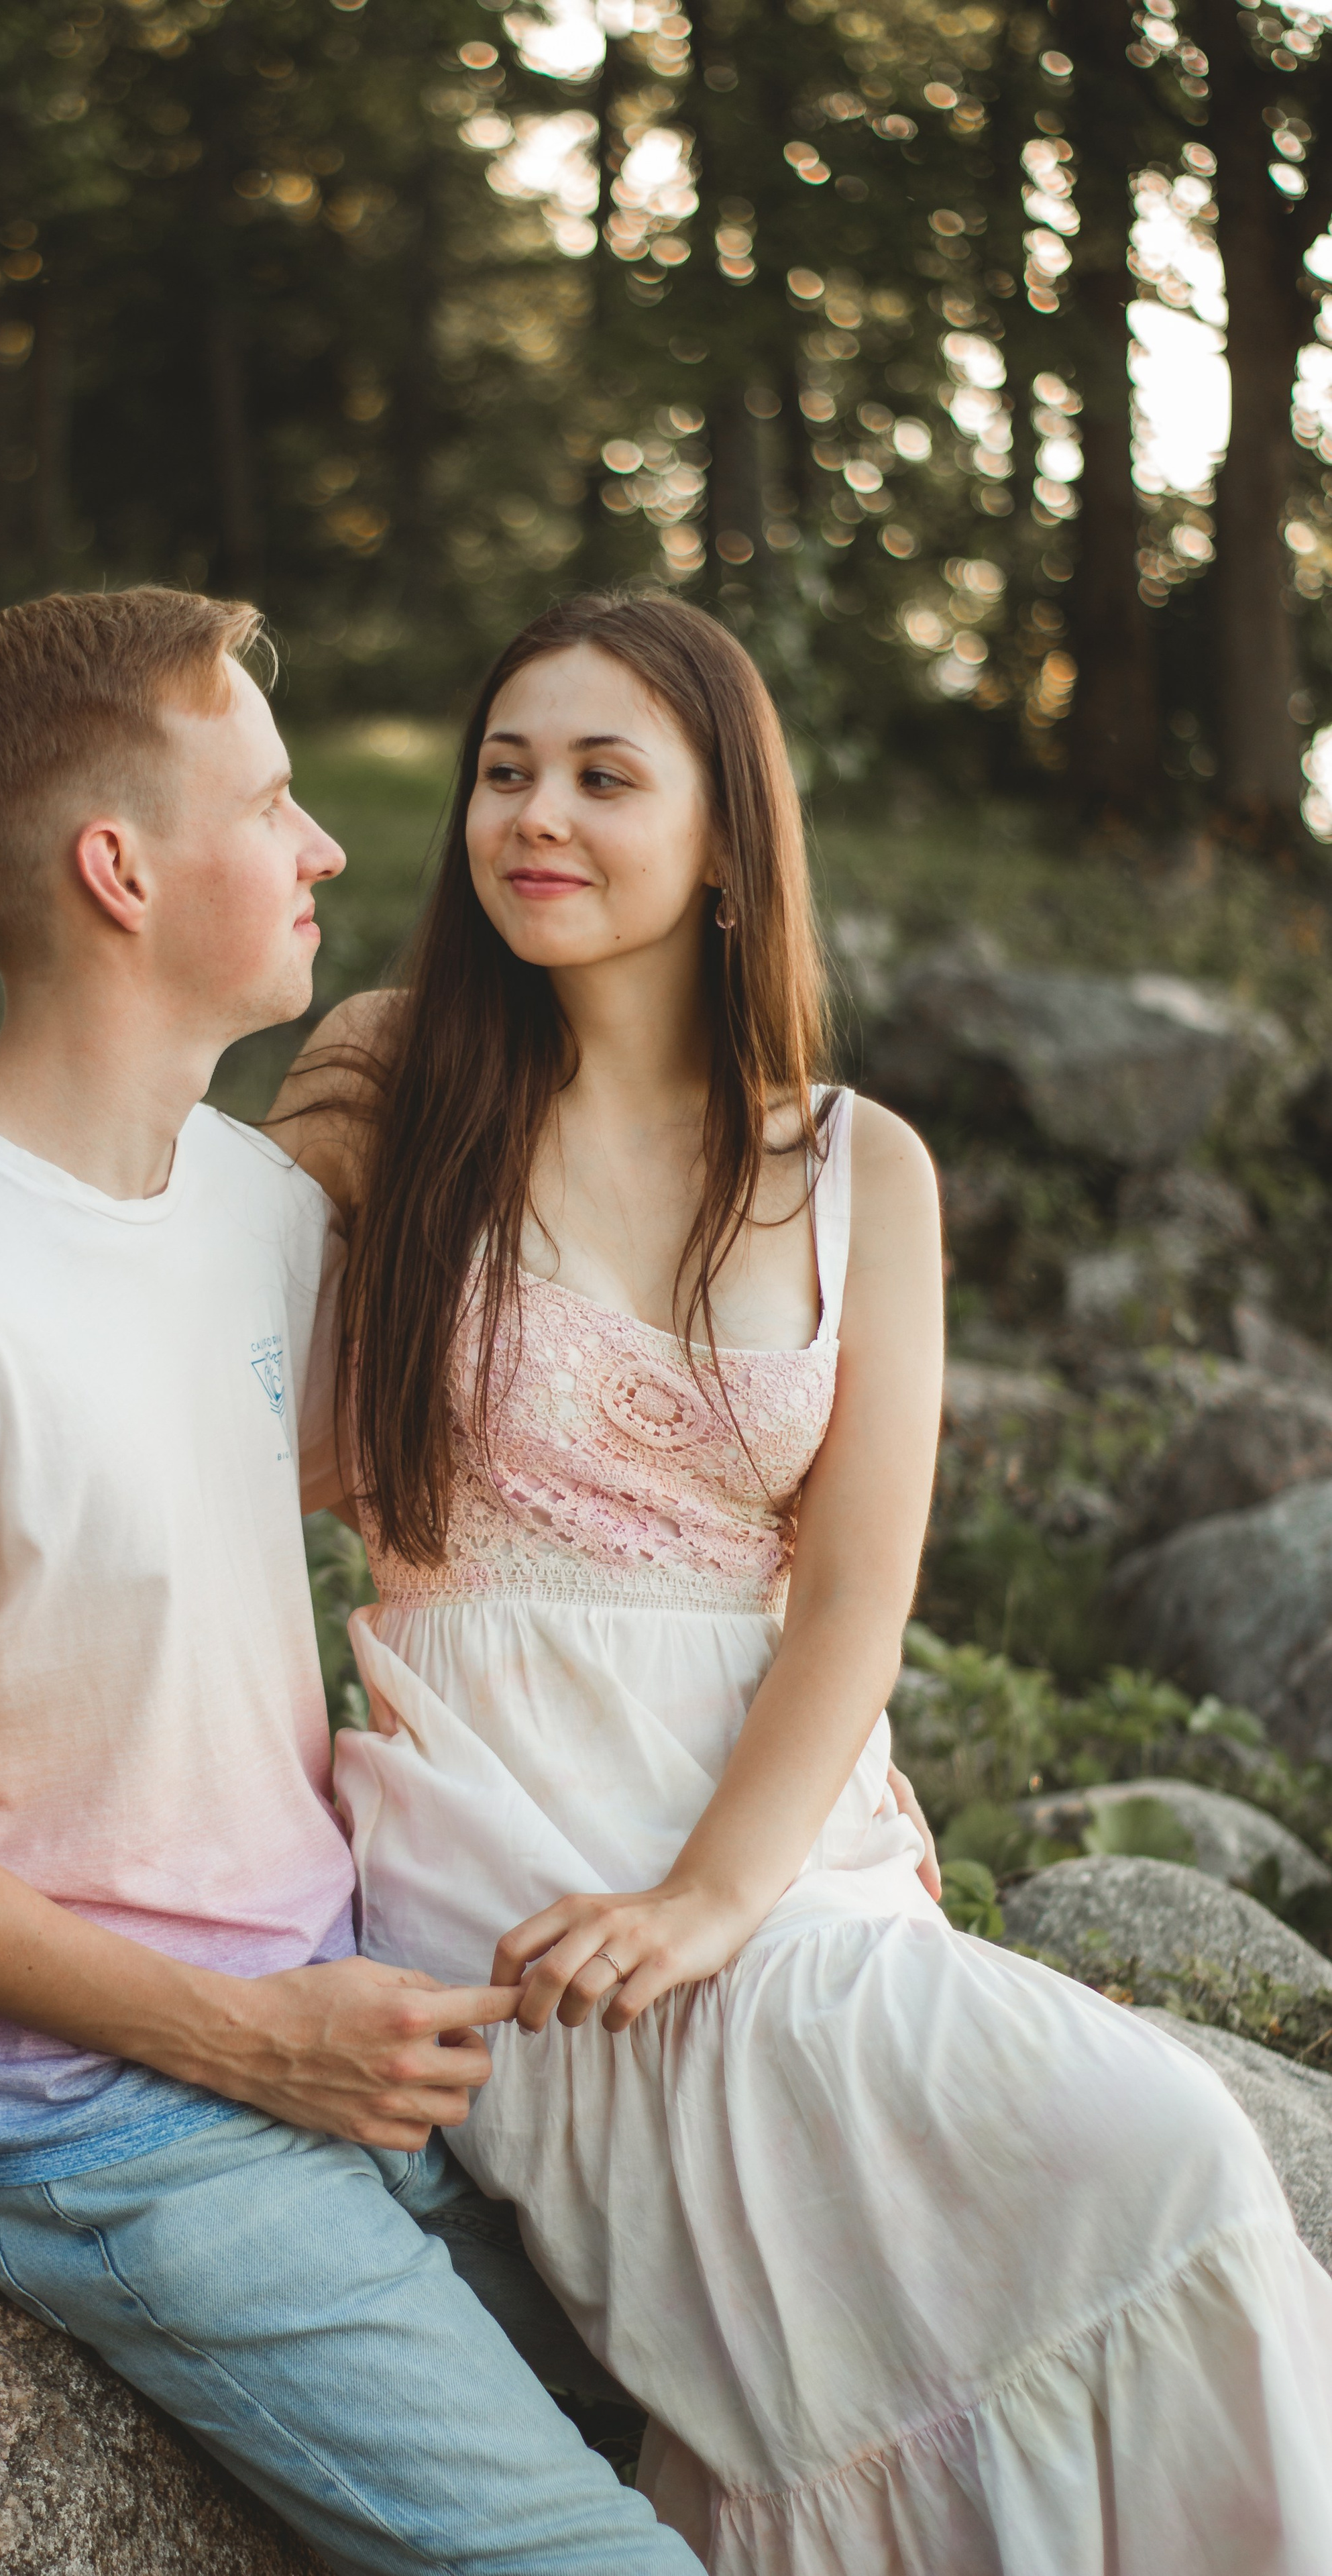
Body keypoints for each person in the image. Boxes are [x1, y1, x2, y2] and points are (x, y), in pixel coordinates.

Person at [265, 592, 1332, 2575]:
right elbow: (212, 1337)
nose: (532, 816)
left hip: (769, 1824)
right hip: (497, 1800)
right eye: (505, 772)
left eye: (601, 775)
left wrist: (719, 1892)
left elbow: (854, 1594)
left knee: (1168, 2156)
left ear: (731, 844)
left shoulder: (864, 1168)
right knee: (1073, 2158)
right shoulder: (398, 1076)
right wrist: (20, 1125)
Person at [0, 586, 704, 2576]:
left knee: (720, 2413)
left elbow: (543, 1465)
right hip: (108, 2119)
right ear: (118, 868)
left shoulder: (242, 1202)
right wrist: (247, 2044)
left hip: (346, 2000)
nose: (328, 844)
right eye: (269, 802)